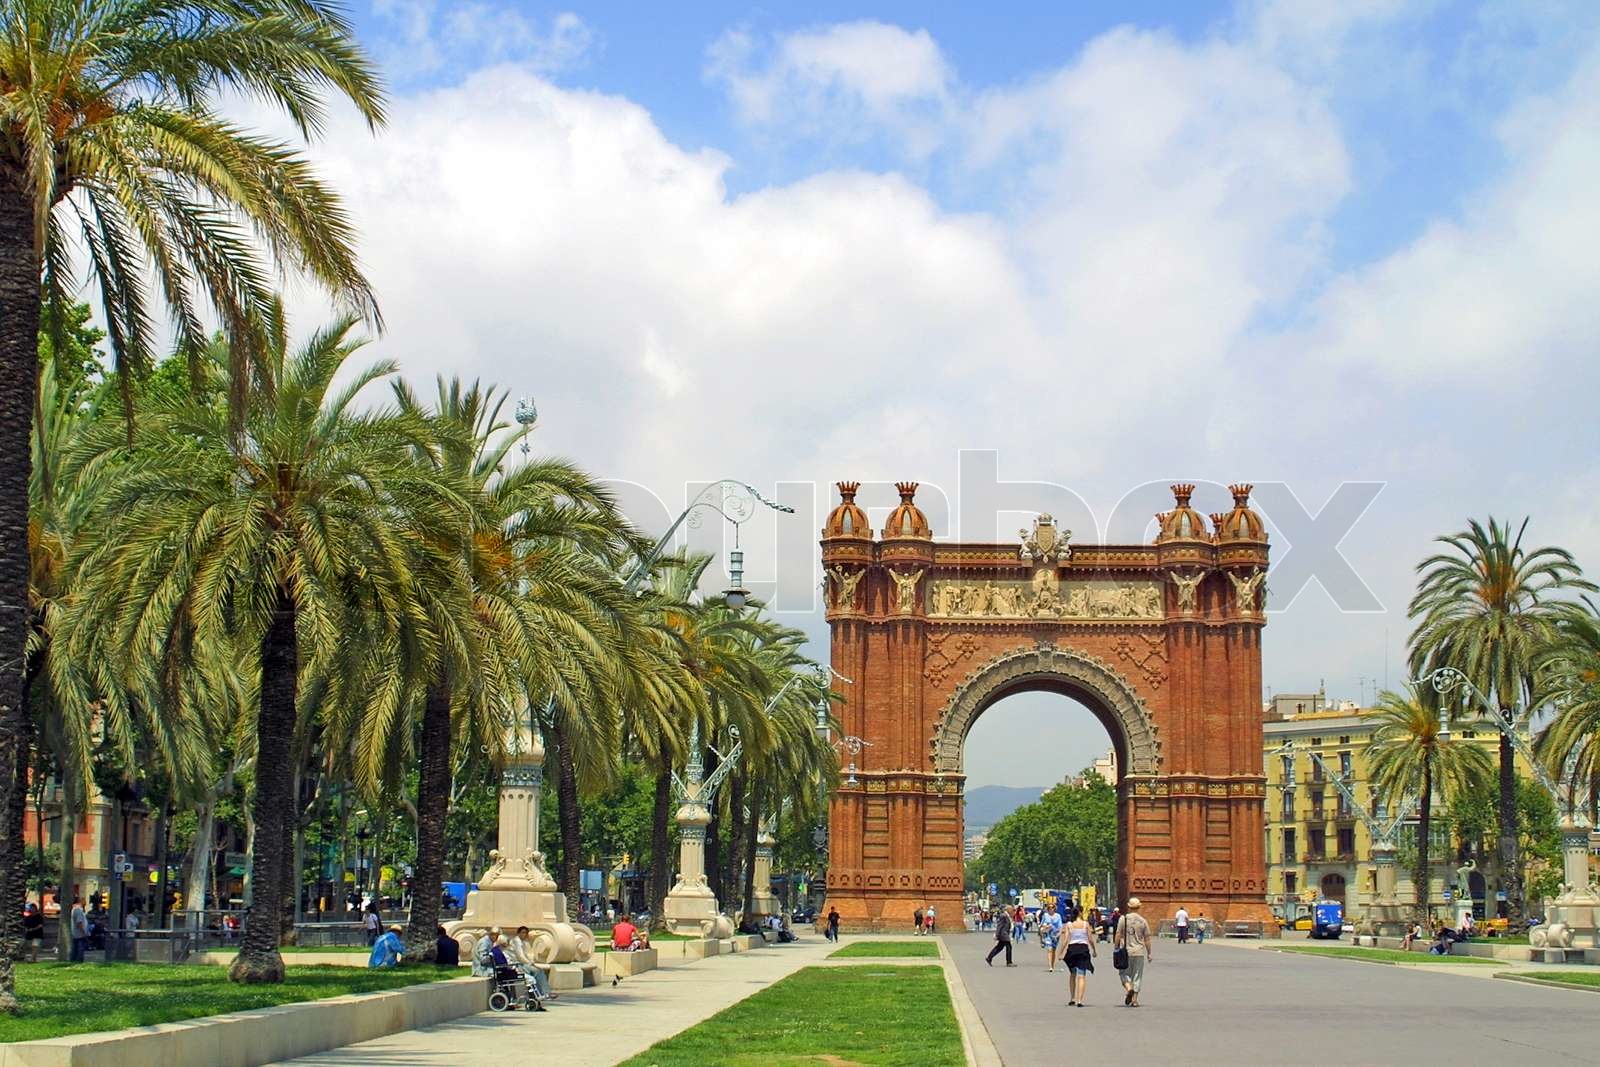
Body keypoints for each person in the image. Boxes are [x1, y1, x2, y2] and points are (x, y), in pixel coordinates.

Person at [1114, 896, 1153, 1008]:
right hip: (1139, 952)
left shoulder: (1123, 919)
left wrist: (1116, 948)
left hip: (1126, 952)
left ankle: (1128, 988)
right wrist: (1149, 953)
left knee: (1123, 973)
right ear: (1139, 907)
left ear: (1129, 907)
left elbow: (1118, 934)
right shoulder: (1143, 921)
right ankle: (1135, 1000)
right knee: (1137, 976)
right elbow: (1147, 939)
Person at [509, 926, 557, 1000]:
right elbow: (521, 956)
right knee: (538, 971)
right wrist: (531, 964)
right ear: (518, 933)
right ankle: (545, 993)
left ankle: (543, 992)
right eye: (523, 932)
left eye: (526, 933)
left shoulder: (523, 942)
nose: (524, 934)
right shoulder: (516, 941)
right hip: (518, 965)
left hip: (522, 964)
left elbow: (525, 956)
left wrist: (531, 962)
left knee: (539, 970)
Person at [1063, 908, 1097, 1006]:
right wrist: (1094, 950)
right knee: (1081, 976)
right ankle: (1079, 1000)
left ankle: (1072, 998)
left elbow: (1066, 940)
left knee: (1072, 974)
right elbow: (1090, 939)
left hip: (1072, 950)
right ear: (1080, 913)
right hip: (1083, 949)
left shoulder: (1069, 924)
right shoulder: (1086, 924)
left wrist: (1061, 952)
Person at [1040, 905, 1063, 972]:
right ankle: (1050, 966)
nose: (1051, 909)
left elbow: (1060, 926)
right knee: (1049, 949)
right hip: (1048, 934)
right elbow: (1041, 925)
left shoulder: (1058, 916)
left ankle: (1052, 965)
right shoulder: (1045, 915)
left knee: (1053, 950)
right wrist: (1045, 927)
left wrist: (1059, 934)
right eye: (1049, 907)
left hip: (1055, 935)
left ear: (1054, 908)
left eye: (1052, 907)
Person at [69, 896, 88, 963]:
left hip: (77, 934)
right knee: (80, 949)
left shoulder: (77, 909)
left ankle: (74, 960)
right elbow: (79, 922)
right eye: (84, 900)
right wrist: (83, 932)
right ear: (81, 901)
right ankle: (78, 961)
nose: (86, 902)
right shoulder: (78, 910)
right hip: (79, 934)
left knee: (75, 948)